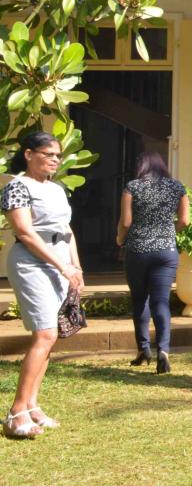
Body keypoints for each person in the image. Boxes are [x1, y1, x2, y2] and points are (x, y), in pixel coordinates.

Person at [2, 131, 82, 438]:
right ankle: (16, 413)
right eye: (48, 154)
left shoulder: (58, 189)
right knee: (45, 333)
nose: (54, 160)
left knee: (51, 336)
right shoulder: (17, 187)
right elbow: (24, 231)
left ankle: (32, 407)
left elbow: (67, 229)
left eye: (58, 155)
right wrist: (62, 266)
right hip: (32, 262)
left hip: (60, 260)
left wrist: (76, 267)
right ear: (28, 154)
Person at [116, 151, 189, 374]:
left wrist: (119, 239)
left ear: (141, 167)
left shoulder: (133, 187)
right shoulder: (177, 187)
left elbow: (126, 222)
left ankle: (143, 350)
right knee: (161, 301)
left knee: (140, 300)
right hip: (166, 252)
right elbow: (185, 220)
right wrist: (168, 233)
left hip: (137, 251)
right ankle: (164, 351)